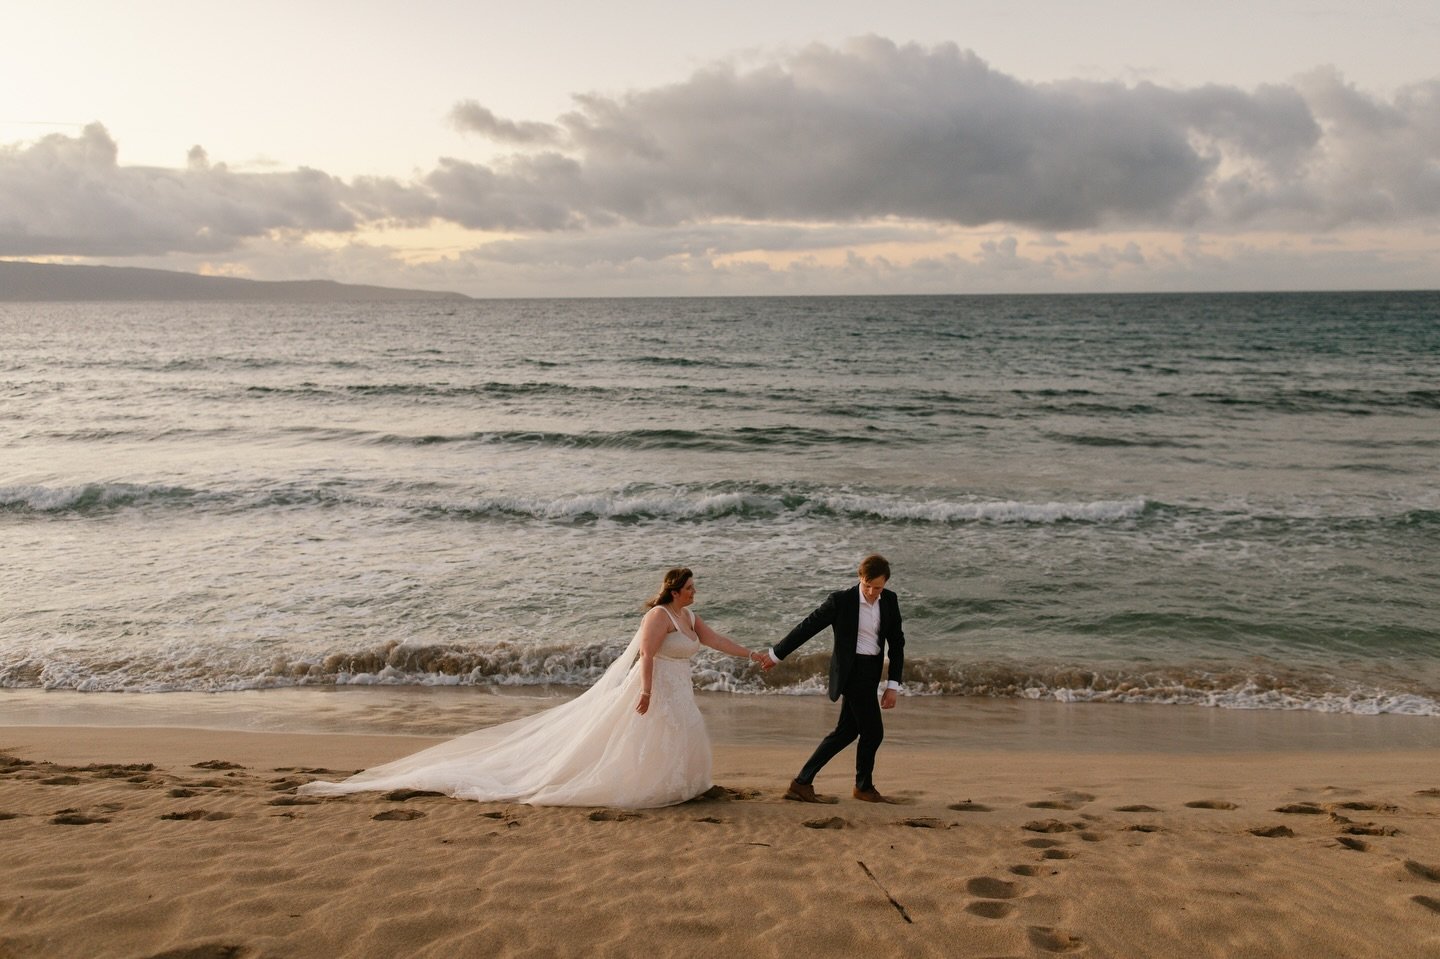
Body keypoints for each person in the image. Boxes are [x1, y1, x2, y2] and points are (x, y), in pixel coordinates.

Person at [299, 567, 763, 808]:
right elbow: (645, 655)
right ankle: (651, 788)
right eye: (690, 588)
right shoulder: (658, 617)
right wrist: (643, 692)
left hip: (680, 691)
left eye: (694, 589)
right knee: (647, 738)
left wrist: (753, 655)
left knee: (682, 734)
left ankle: (680, 787)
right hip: (657, 687)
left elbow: (714, 641)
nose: (694, 593)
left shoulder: (689, 618)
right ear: (675, 589)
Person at [759, 553, 905, 803]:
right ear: (860, 578)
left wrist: (893, 684)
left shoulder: (889, 600)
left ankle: (802, 782)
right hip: (851, 672)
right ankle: (863, 787)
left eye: (878, 587)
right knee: (873, 732)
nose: (872, 592)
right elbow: (808, 626)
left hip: (871, 672)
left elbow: (897, 643)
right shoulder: (842, 601)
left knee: (847, 731)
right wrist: (776, 654)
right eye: (867, 585)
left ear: (886, 583)